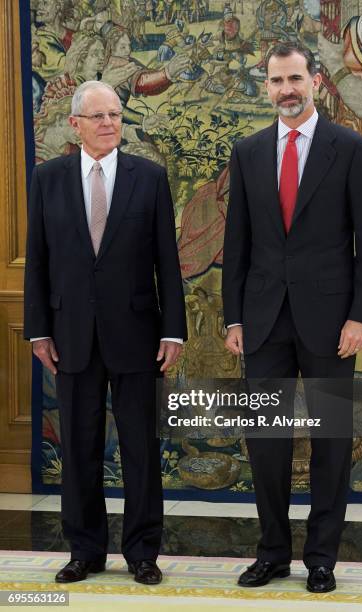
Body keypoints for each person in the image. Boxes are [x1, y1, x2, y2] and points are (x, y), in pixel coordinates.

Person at [222, 42, 362, 593]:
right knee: (265, 445)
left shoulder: (351, 148)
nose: (286, 90)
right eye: (276, 81)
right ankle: (271, 553)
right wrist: (232, 319)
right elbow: (237, 243)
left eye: (295, 78)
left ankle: (321, 558)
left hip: (332, 323)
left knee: (330, 443)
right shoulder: (247, 152)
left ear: (315, 80)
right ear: (265, 86)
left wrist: (361, 316)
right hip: (263, 319)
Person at [24, 80, 187, 585]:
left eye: (115, 114)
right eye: (97, 116)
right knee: (79, 446)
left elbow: (167, 259)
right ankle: (85, 550)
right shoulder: (48, 179)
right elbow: (39, 260)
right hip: (70, 334)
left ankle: (142, 552)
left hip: (137, 334)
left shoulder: (150, 177)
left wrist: (174, 332)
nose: (109, 124)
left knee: (139, 447)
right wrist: (37, 331)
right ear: (75, 125)